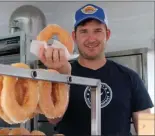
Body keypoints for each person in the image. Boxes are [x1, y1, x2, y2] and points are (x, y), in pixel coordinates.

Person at [38, 3, 154, 136]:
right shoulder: (62, 73)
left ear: (107, 34)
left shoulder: (130, 77)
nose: (91, 38)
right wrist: (61, 76)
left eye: (97, 31)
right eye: (84, 31)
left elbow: (148, 129)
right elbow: (53, 119)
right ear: (74, 37)